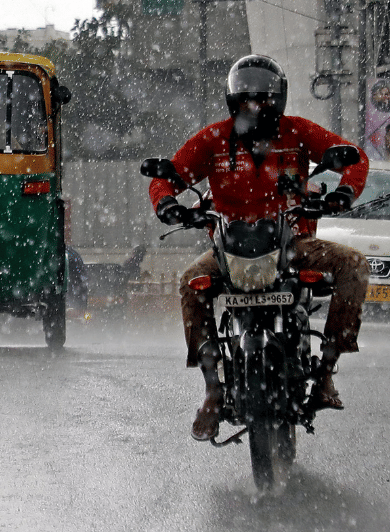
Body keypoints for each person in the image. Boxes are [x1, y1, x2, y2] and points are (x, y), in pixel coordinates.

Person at [148, 55, 370, 441]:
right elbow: (169, 175)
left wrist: (344, 192)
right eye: (247, 100)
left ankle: (326, 373)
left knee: (354, 264)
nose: (255, 107)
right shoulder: (212, 139)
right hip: (228, 249)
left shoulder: (299, 132)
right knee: (190, 282)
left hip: (293, 242)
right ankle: (212, 387)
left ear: (279, 100)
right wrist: (167, 204)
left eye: (263, 100)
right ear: (233, 102)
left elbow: (355, 158)